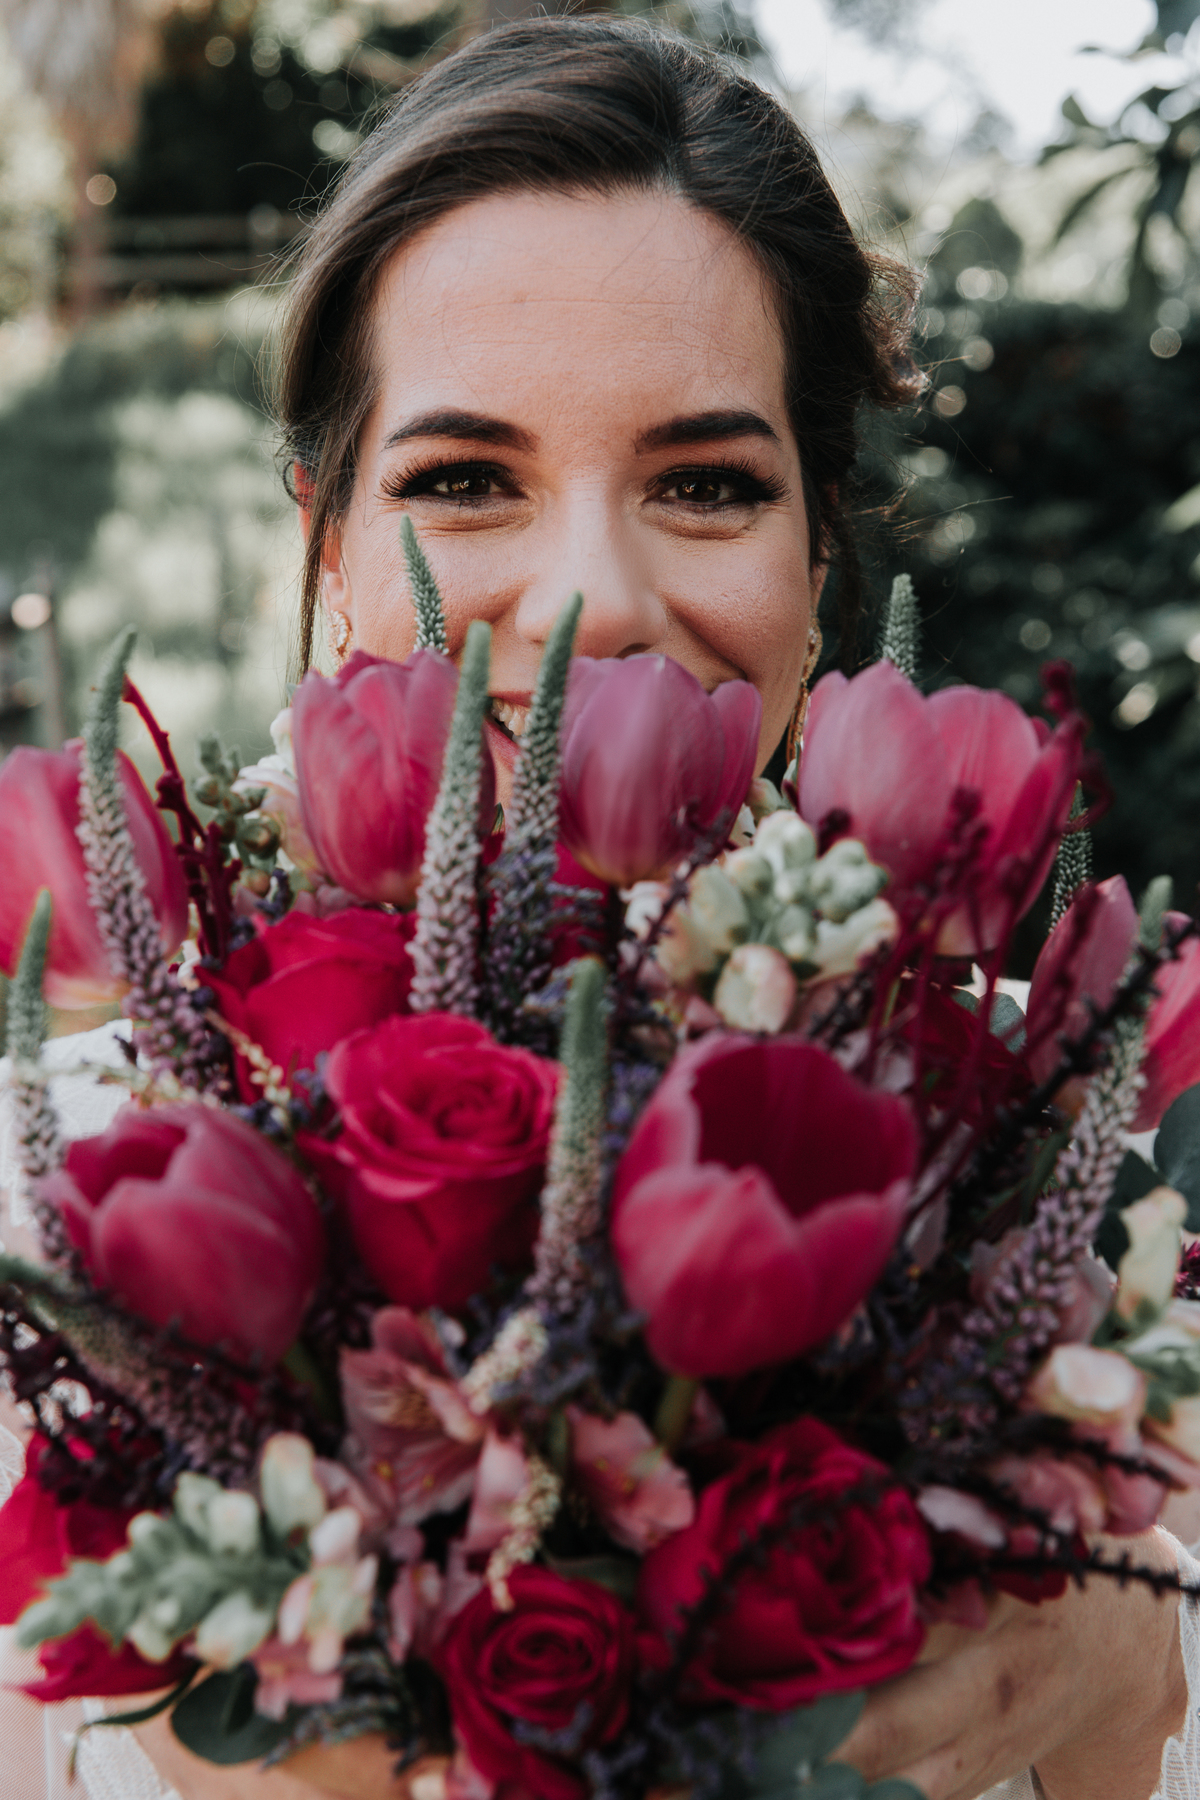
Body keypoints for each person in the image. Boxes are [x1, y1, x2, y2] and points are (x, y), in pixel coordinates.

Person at [2, 14, 1198, 1800]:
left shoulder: (1052, 1139)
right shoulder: (73, 1192)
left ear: (819, 563)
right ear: (328, 550)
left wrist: (1120, 1688)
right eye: (466, 481)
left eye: (708, 485)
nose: (594, 603)